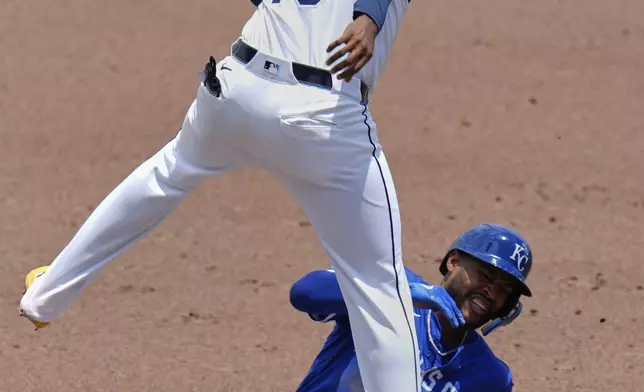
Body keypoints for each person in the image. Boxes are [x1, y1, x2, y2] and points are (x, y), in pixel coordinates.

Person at [19, 1, 422, 391]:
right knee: (379, 288)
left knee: (166, 174)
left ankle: (44, 295)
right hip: (322, 118)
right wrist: (368, 17)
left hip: (235, 89)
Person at [289, 223, 534, 391]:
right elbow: (305, 293)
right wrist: (397, 295)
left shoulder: (490, 377)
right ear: (453, 262)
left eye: (504, 290)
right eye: (486, 276)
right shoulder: (391, 286)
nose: (492, 292)